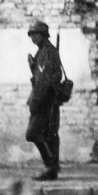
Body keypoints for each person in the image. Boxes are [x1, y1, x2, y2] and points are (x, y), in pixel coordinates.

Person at [25, 19, 63, 178]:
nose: (33, 38)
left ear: (43, 35)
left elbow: (43, 81)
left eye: (36, 34)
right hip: (47, 100)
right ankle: (51, 168)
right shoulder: (43, 51)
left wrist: (34, 101)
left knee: (34, 133)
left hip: (45, 101)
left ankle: (51, 167)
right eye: (31, 35)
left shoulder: (47, 52)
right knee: (49, 134)